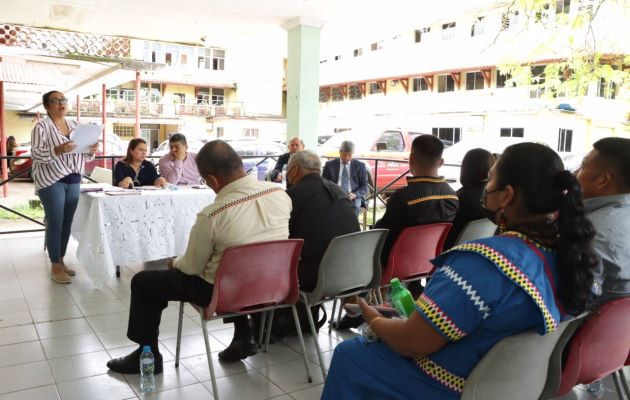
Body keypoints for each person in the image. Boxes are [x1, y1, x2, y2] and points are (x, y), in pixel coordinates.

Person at [322, 142, 598, 400]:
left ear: (507, 195)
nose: (486, 187)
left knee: (349, 353)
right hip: (512, 387)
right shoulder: (573, 260)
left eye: (490, 180)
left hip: (449, 383)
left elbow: (412, 342)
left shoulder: (482, 263)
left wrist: (374, 319)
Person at [106, 140, 292, 374]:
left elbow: (191, 268)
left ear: (213, 181)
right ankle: (243, 337)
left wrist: (174, 262)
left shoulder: (213, 215)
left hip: (223, 292)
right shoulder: (280, 194)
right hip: (271, 284)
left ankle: (148, 354)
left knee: (143, 282)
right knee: (237, 260)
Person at [31, 91, 99, 284]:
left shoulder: (76, 125)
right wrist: (57, 150)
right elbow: (36, 155)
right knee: (55, 221)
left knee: (67, 221)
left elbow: (84, 154)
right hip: (51, 179)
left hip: (74, 178)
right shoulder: (41, 127)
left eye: (63, 100)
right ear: (47, 106)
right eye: (55, 101)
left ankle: (60, 259)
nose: (61, 103)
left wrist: (91, 150)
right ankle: (55, 266)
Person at [374, 134, 458, 267]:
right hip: (433, 263)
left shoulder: (402, 197)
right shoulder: (452, 196)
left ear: (411, 159)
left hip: (397, 265)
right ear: (441, 162)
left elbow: (382, 234)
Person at [285, 150, 360, 291]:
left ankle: (293, 313)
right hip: (352, 271)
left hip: (317, 276)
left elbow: (284, 240)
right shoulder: (341, 192)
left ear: (294, 170)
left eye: (287, 170)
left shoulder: (290, 197)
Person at [576, 137, 630, 305]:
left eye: (583, 166)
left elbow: (574, 302)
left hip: (585, 328)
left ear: (603, 180)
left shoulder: (591, 232)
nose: (575, 173)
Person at [444, 148, 496, 249]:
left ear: (466, 168)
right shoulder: (493, 196)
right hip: (481, 251)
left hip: (451, 252)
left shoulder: (458, 198)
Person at [322, 140, 369, 216]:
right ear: (340, 152)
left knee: (354, 209)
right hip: (335, 196)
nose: (346, 158)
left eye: (349, 155)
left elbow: (365, 187)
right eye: (344, 155)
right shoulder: (329, 165)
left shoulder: (360, 166)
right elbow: (324, 184)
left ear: (353, 154)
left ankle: (352, 227)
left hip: (353, 197)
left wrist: (355, 194)